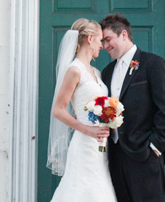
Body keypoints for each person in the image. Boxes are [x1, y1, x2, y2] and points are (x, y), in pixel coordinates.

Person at [100, 14, 165, 202]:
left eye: (108, 39)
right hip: (116, 156)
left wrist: (156, 146)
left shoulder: (153, 64)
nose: (105, 46)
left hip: (145, 155)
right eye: (102, 41)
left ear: (123, 34)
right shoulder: (107, 72)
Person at [47, 18, 117, 202]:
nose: (102, 46)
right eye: (100, 40)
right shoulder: (74, 70)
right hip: (84, 143)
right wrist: (88, 129)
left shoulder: (96, 72)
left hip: (100, 146)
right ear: (89, 38)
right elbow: (58, 110)